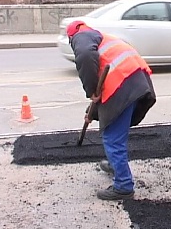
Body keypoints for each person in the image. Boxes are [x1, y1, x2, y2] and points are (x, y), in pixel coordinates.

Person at [66, 20, 156, 200]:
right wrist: (91, 111)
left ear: (71, 36)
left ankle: (123, 186)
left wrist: (90, 90)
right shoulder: (101, 38)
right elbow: (105, 85)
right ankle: (116, 165)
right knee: (116, 131)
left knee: (112, 137)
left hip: (123, 84)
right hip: (135, 81)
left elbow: (84, 56)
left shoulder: (81, 37)